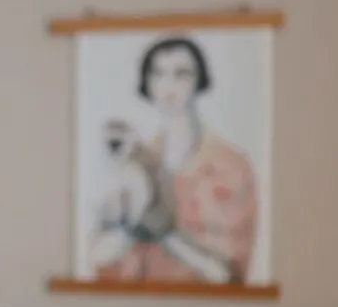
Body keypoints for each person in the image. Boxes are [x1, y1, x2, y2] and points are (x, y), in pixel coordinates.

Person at [95, 36, 259, 283]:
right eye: (157, 74)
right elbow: (100, 259)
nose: (168, 85)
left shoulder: (231, 166)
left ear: (199, 80)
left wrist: (165, 233)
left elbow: (229, 275)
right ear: (147, 83)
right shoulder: (133, 162)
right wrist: (131, 227)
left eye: (181, 74)